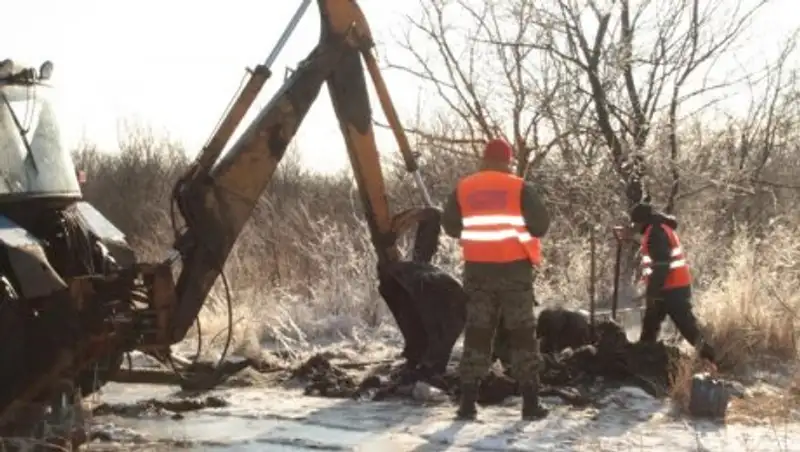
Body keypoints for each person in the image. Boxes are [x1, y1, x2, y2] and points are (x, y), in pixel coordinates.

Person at [442, 138, 550, 421]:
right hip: (515, 273)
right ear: (508, 160)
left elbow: (450, 226)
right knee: (522, 335)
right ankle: (530, 404)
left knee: (477, 334)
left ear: (484, 159)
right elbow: (541, 226)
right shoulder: (519, 187)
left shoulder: (465, 187)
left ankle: (467, 404)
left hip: (478, 273)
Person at [630, 202, 717, 367]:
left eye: (635, 223)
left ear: (642, 221)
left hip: (672, 289)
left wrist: (652, 293)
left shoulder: (656, 232)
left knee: (687, 328)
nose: (635, 227)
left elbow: (662, 264)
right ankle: (643, 362)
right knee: (650, 326)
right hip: (668, 287)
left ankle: (711, 359)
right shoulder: (659, 228)